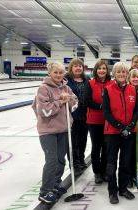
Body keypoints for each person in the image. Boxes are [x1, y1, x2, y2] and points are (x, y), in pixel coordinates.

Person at [32, 62, 78, 204]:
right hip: (48, 131)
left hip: (64, 129)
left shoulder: (66, 87)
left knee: (60, 160)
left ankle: (55, 184)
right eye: (55, 72)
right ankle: (45, 191)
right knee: (51, 161)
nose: (58, 75)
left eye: (61, 73)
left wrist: (70, 100)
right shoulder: (43, 89)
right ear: (50, 73)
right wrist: (60, 101)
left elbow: (75, 104)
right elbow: (44, 111)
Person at [103, 62, 138, 204]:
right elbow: (106, 112)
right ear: (114, 74)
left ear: (127, 74)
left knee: (125, 162)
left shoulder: (132, 89)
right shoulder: (108, 89)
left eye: (124, 72)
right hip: (113, 132)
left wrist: (129, 127)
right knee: (111, 163)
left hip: (128, 132)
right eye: (119, 72)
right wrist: (120, 126)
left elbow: (137, 111)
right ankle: (112, 191)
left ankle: (123, 188)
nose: (121, 75)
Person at [87, 59, 112, 184]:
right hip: (94, 121)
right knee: (96, 147)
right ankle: (97, 172)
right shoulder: (90, 83)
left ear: (107, 71)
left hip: (108, 121)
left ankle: (104, 171)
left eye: (104, 68)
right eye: (99, 68)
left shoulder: (111, 84)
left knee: (106, 148)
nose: (101, 70)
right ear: (95, 70)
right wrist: (102, 107)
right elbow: (87, 101)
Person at [65, 58, 90, 175]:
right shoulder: (66, 80)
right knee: (73, 141)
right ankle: (74, 164)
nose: (78, 68)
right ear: (71, 67)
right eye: (75, 66)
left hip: (84, 115)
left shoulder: (86, 80)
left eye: (80, 66)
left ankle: (80, 159)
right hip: (71, 116)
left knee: (82, 140)